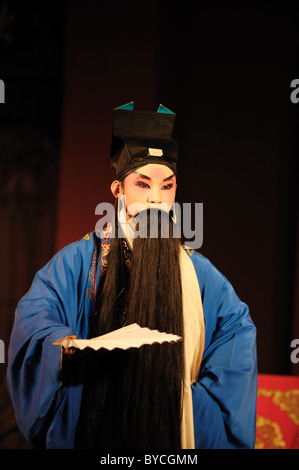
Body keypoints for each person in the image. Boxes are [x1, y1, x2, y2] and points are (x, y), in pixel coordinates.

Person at [7, 102, 257, 449]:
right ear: (118, 190)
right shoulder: (80, 260)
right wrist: (66, 347)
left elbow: (236, 334)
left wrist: (187, 401)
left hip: (171, 422)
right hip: (98, 418)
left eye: (167, 187)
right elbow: (35, 315)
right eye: (143, 185)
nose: (157, 199)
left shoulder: (199, 272)